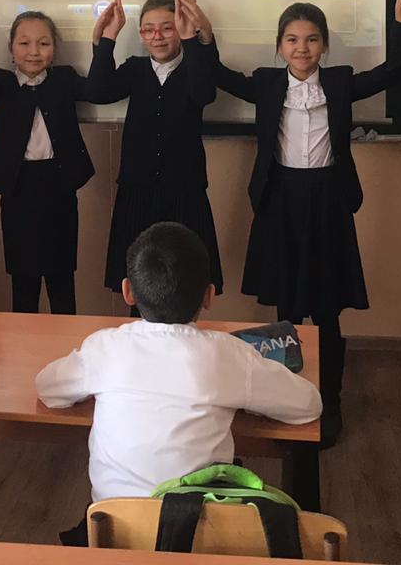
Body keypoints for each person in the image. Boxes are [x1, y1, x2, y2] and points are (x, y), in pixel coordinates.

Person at [181, 0, 401, 444]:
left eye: (312, 39)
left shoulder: (341, 82)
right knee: (286, 310)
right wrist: (203, 35)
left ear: (325, 46)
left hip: (328, 200)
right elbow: (218, 75)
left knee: (327, 310)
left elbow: (396, 70)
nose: (302, 48)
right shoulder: (268, 84)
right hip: (281, 201)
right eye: (292, 39)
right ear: (279, 46)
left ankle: (331, 401)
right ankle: (287, 398)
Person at [36, 221, 319, 545]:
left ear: (128, 291)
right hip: (196, 536)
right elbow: (308, 406)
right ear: (209, 295)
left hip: (111, 532)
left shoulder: (104, 347)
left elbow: (48, 389)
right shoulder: (227, 354)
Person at [86, 0, 222, 302]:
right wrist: (106, 40)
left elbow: (204, 93)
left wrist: (191, 39)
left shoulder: (194, 67)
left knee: (185, 277)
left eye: (167, 28)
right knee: (139, 278)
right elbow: (97, 92)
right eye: (148, 30)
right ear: (140, 35)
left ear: (181, 29)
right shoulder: (135, 68)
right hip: (138, 189)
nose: (157, 36)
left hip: (184, 189)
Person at [0, 0, 92, 313]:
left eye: (43, 43)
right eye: (24, 43)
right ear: (11, 49)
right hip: (18, 187)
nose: (34, 52)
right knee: (23, 281)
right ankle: (24, 338)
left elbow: (100, 89)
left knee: (62, 280)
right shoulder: (3, 83)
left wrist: (103, 39)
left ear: (54, 49)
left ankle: (67, 338)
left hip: (59, 186)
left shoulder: (64, 80)